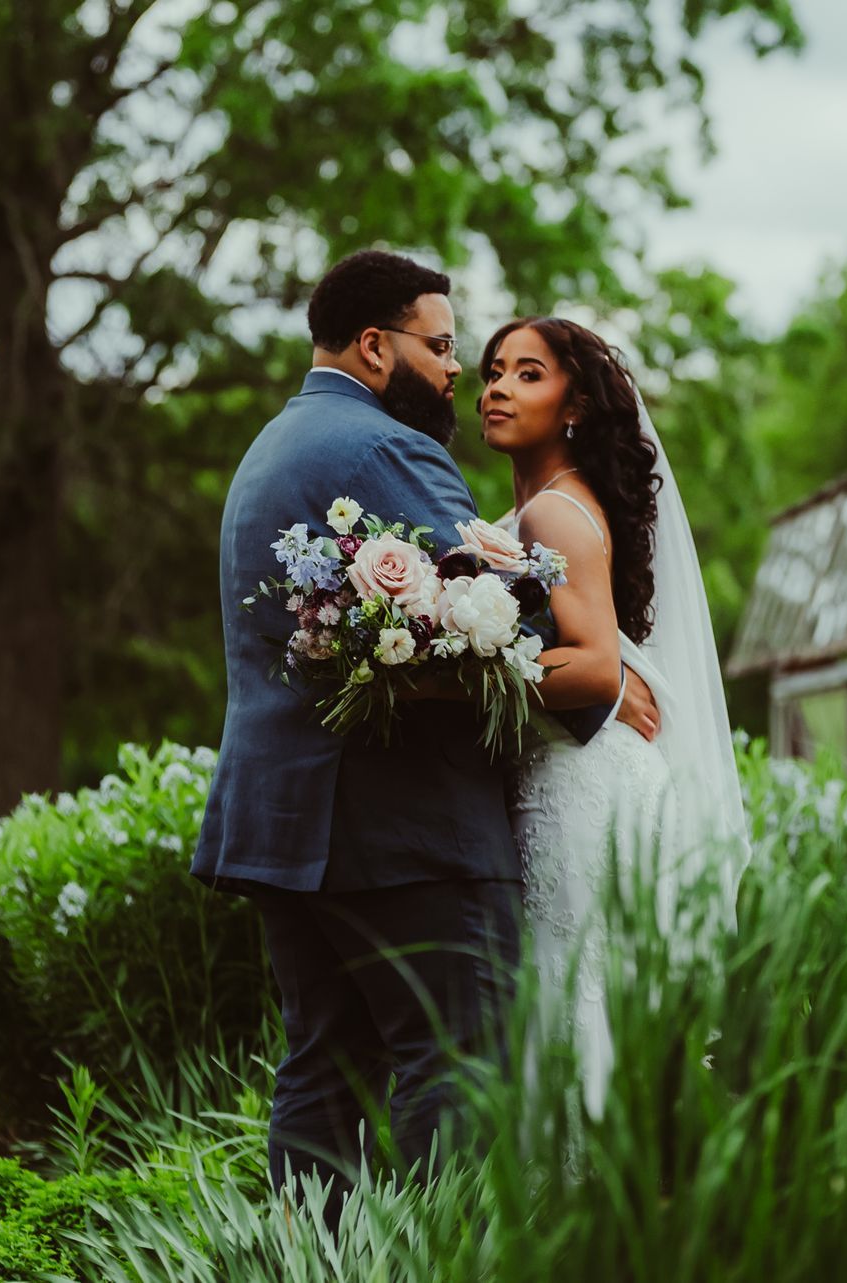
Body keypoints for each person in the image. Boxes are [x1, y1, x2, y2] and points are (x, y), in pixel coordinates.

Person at [189, 252, 657, 1203]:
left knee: (326, 1071)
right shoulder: (387, 450)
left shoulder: (271, 448)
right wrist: (609, 680)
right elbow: (511, 620)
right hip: (400, 831)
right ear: (375, 346)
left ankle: (310, 1269)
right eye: (443, 348)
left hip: (288, 829)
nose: (457, 372)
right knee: (461, 1062)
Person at [478, 316, 749, 1118]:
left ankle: (581, 1208)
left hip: (578, 787)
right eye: (494, 370)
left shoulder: (553, 514)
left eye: (528, 373)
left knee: (573, 990)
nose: (497, 386)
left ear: (575, 407)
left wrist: (464, 674)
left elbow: (596, 665)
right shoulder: (548, 510)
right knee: (588, 988)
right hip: (595, 776)